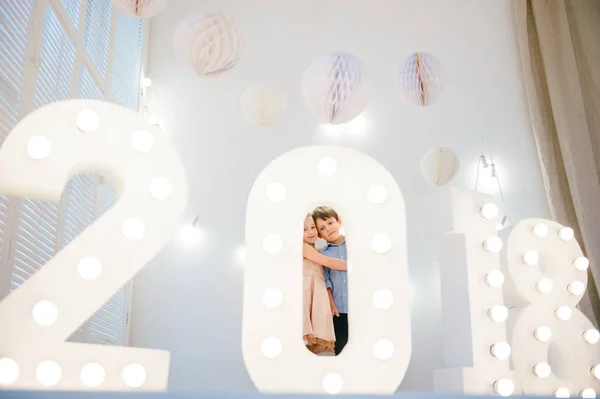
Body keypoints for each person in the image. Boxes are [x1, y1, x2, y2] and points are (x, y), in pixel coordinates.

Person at [302, 214, 347, 354]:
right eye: (304, 230)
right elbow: (329, 262)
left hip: (319, 292)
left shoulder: (314, 248)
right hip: (310, 292)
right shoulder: (303, 247)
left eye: (313, 227)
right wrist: (353, 265)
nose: (310, 232)